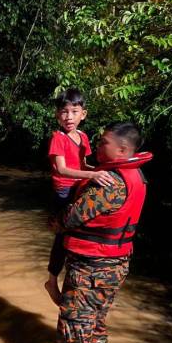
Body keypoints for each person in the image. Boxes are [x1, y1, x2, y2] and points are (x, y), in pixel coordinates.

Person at [50, 122, 153, 343]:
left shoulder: (109, 183)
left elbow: (72, 217)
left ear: (121, 149)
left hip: (92, 265)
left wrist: (53, 222)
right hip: (117, 263)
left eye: (103, 142)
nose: (97, 144)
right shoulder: (137, 175)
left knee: (76, 322)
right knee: (96, 314)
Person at [44, 89, 115, 306]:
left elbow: (84, 165)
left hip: (79, 187)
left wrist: (108, 170)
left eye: (74, 112)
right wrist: (93, 174)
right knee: (62, 235)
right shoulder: (58, 138)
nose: (69, 117)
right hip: (64, 191)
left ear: (83, 114)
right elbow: (62, 169)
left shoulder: (83, 136)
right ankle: (52, 279)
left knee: (78, 233)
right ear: (57, 115)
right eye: (64, 112)